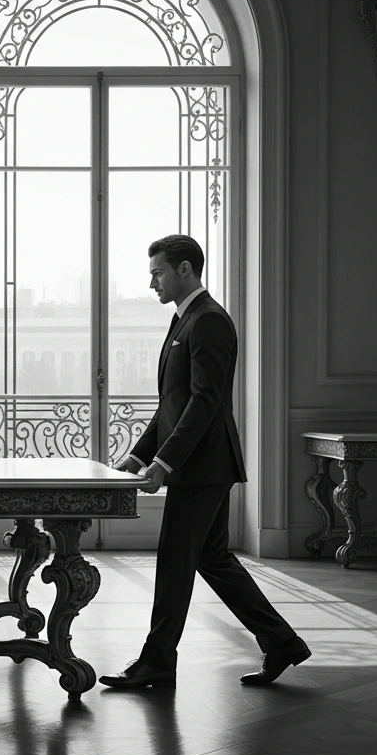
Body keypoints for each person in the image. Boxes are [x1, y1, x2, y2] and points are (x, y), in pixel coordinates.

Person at [100, 235, 310, 690]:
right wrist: (137, 457)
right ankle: (281, 642)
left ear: (185, 270)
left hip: (203, 466)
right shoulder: (187, 320)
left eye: (158, 272)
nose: (152, 280)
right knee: (212, 559)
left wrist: (166, 463)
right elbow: (171, 404)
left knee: (176, 560)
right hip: (201, 465)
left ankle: (157, 661)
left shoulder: (209, 321)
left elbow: (205, 401)